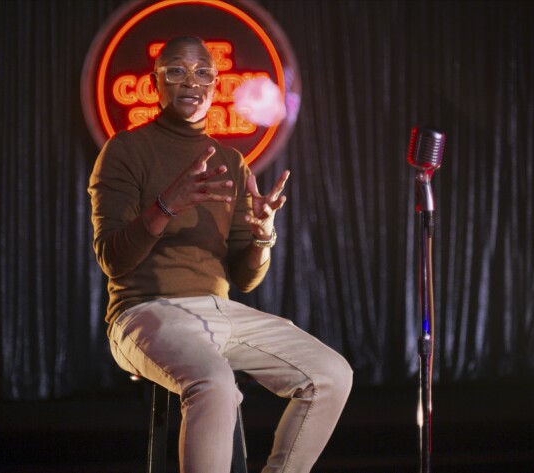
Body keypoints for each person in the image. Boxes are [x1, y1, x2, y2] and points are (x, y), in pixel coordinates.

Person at [88, 36, 352, 473]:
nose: (191, 81)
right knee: (214, 384)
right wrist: (167, 205)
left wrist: (263, 236)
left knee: (331, 374)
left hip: (221, 311)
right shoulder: (125, 150)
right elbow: (113, 259)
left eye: (203, 72)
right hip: (144, 312)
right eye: (176, 71)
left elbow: (244, 279)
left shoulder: (231, 161)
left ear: (216, 85)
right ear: (155, 84)